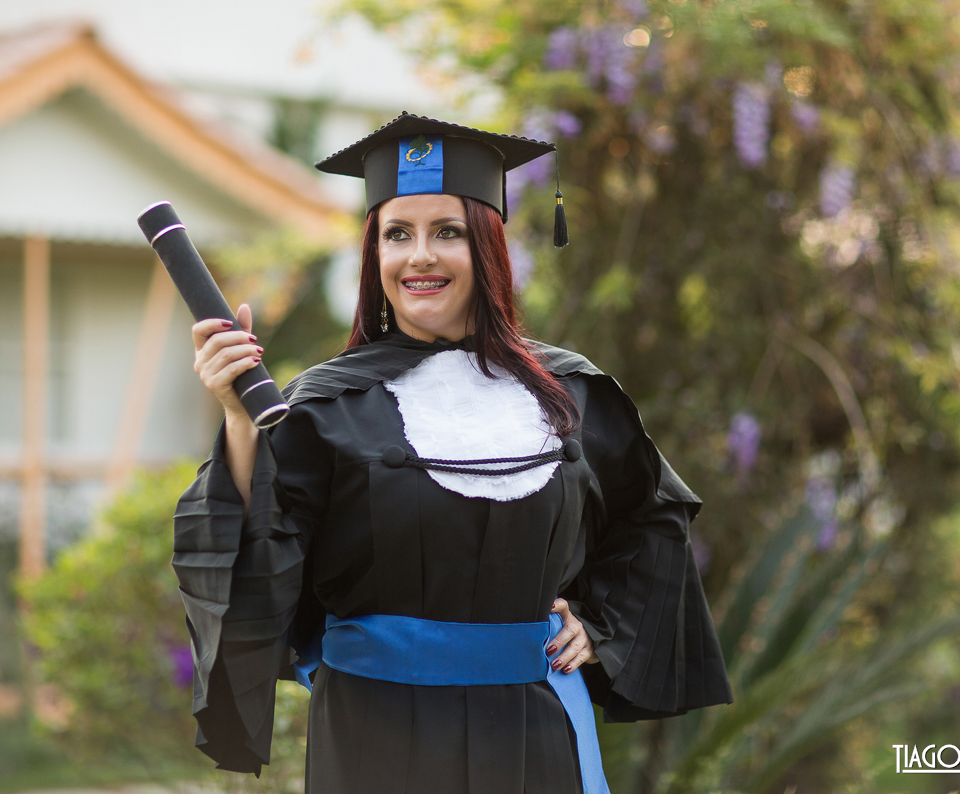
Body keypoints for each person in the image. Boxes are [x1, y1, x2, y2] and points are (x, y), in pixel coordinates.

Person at [172, 113, 732, 794]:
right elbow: (256, 545)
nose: (420, 257)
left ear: (489, 247)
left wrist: (602, 626)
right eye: (397, 234)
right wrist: (238, 419)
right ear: (373, 254)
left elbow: (648, 520)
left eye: (448, 233)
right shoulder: (323, 407)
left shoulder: (573, 394)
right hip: (373, 735)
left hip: (532, 730)